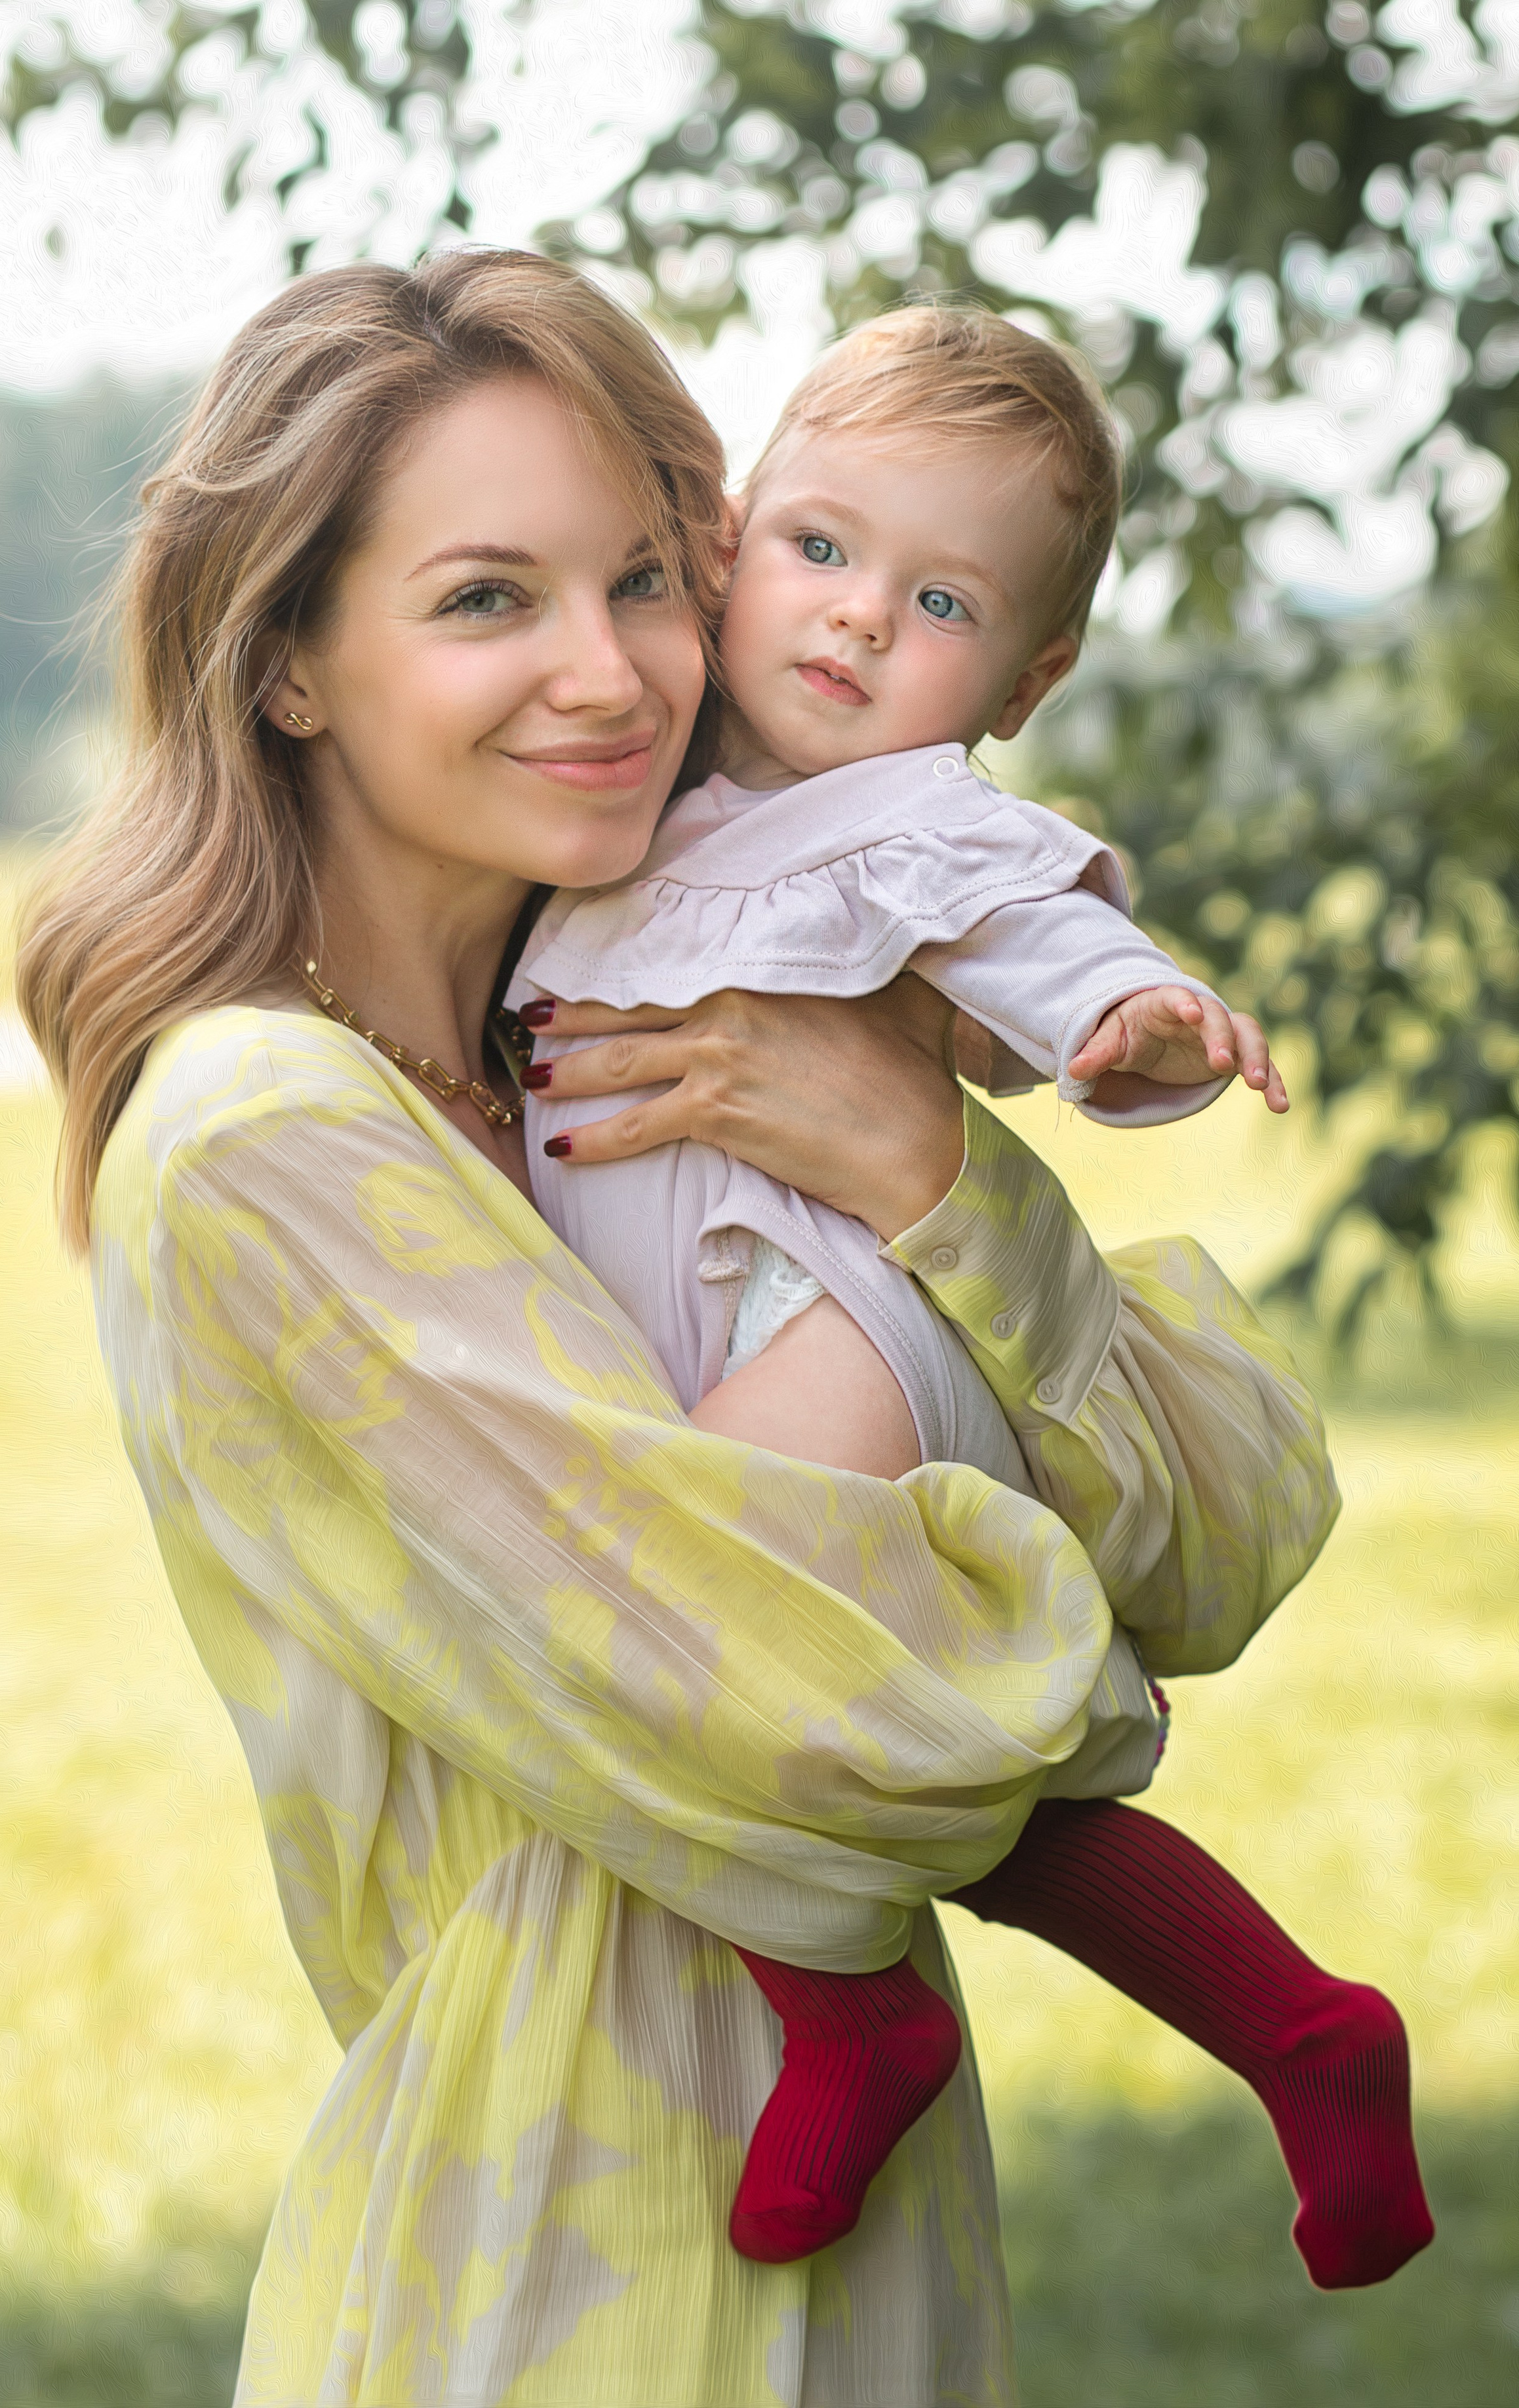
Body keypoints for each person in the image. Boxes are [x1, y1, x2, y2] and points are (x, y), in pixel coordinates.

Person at [20, 252, 1349, 2408]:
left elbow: (1230, 1529)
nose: (610, 671)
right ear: (287, 667)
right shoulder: (267, 1137)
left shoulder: (660, 1043)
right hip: (574, 2268)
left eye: (644, 577)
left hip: (866, 2245)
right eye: (484, 601)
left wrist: (932, 1168)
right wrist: (1025, 1541)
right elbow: (847, 1709)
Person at [513, 307, 1433, 2284]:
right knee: (891, 1747)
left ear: (1023, 679)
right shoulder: (622, 792)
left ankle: (856, 2010)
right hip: (720, 1334)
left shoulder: (917, 826)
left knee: (673, 1633)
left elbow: (1043, 953)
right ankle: (1299, 2033)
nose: (853, 623)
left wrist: (1142, 1024)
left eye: (936, 600)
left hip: (832, 1324)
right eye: (825, 551)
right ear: (737, 533)